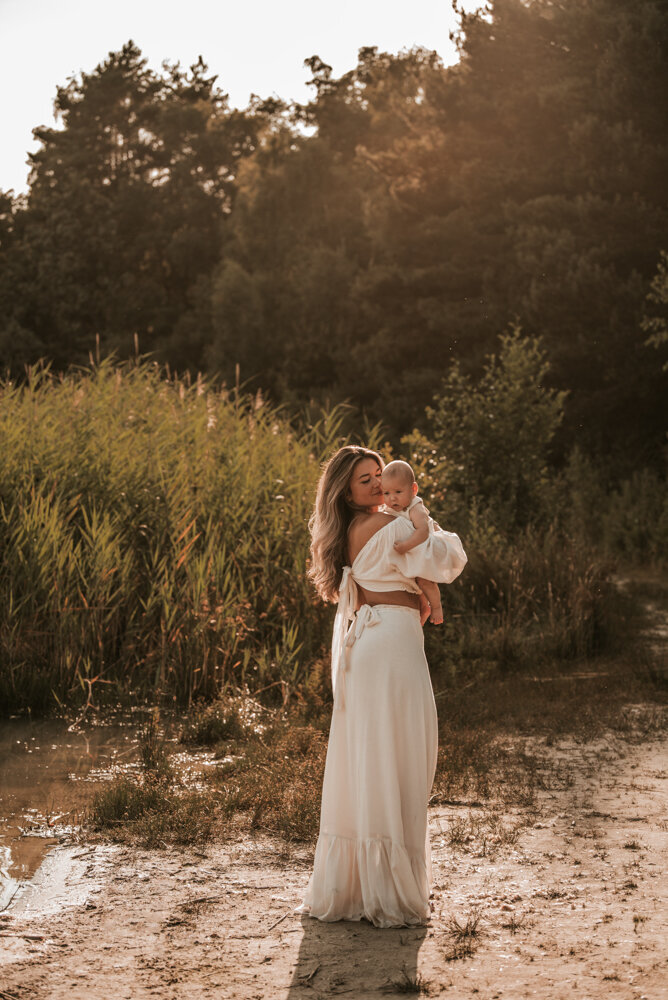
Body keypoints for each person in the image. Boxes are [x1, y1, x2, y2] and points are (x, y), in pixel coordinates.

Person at [297, 445, 467, 928]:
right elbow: (448, 558)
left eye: (378, 475)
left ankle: (360, 883)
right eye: (364, 481)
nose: (376, 486)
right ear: (347, 494)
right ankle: (388, 888)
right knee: (399, 755)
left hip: (374, 643)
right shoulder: (381, 525)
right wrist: (422, 513)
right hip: (389, 642)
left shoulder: (354, 529)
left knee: (372, 758)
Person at [380, 459, 444, 624]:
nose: (392, 498)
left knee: (425, 581)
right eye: (386, 493)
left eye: (398, 492)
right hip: (413, 552)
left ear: (413, 489)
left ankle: (436, 607)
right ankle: (422, 609)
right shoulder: (390, 507)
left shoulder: (415, 508)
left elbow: (422, 531)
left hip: (425, 548)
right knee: (414, 584)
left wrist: (405, 545)